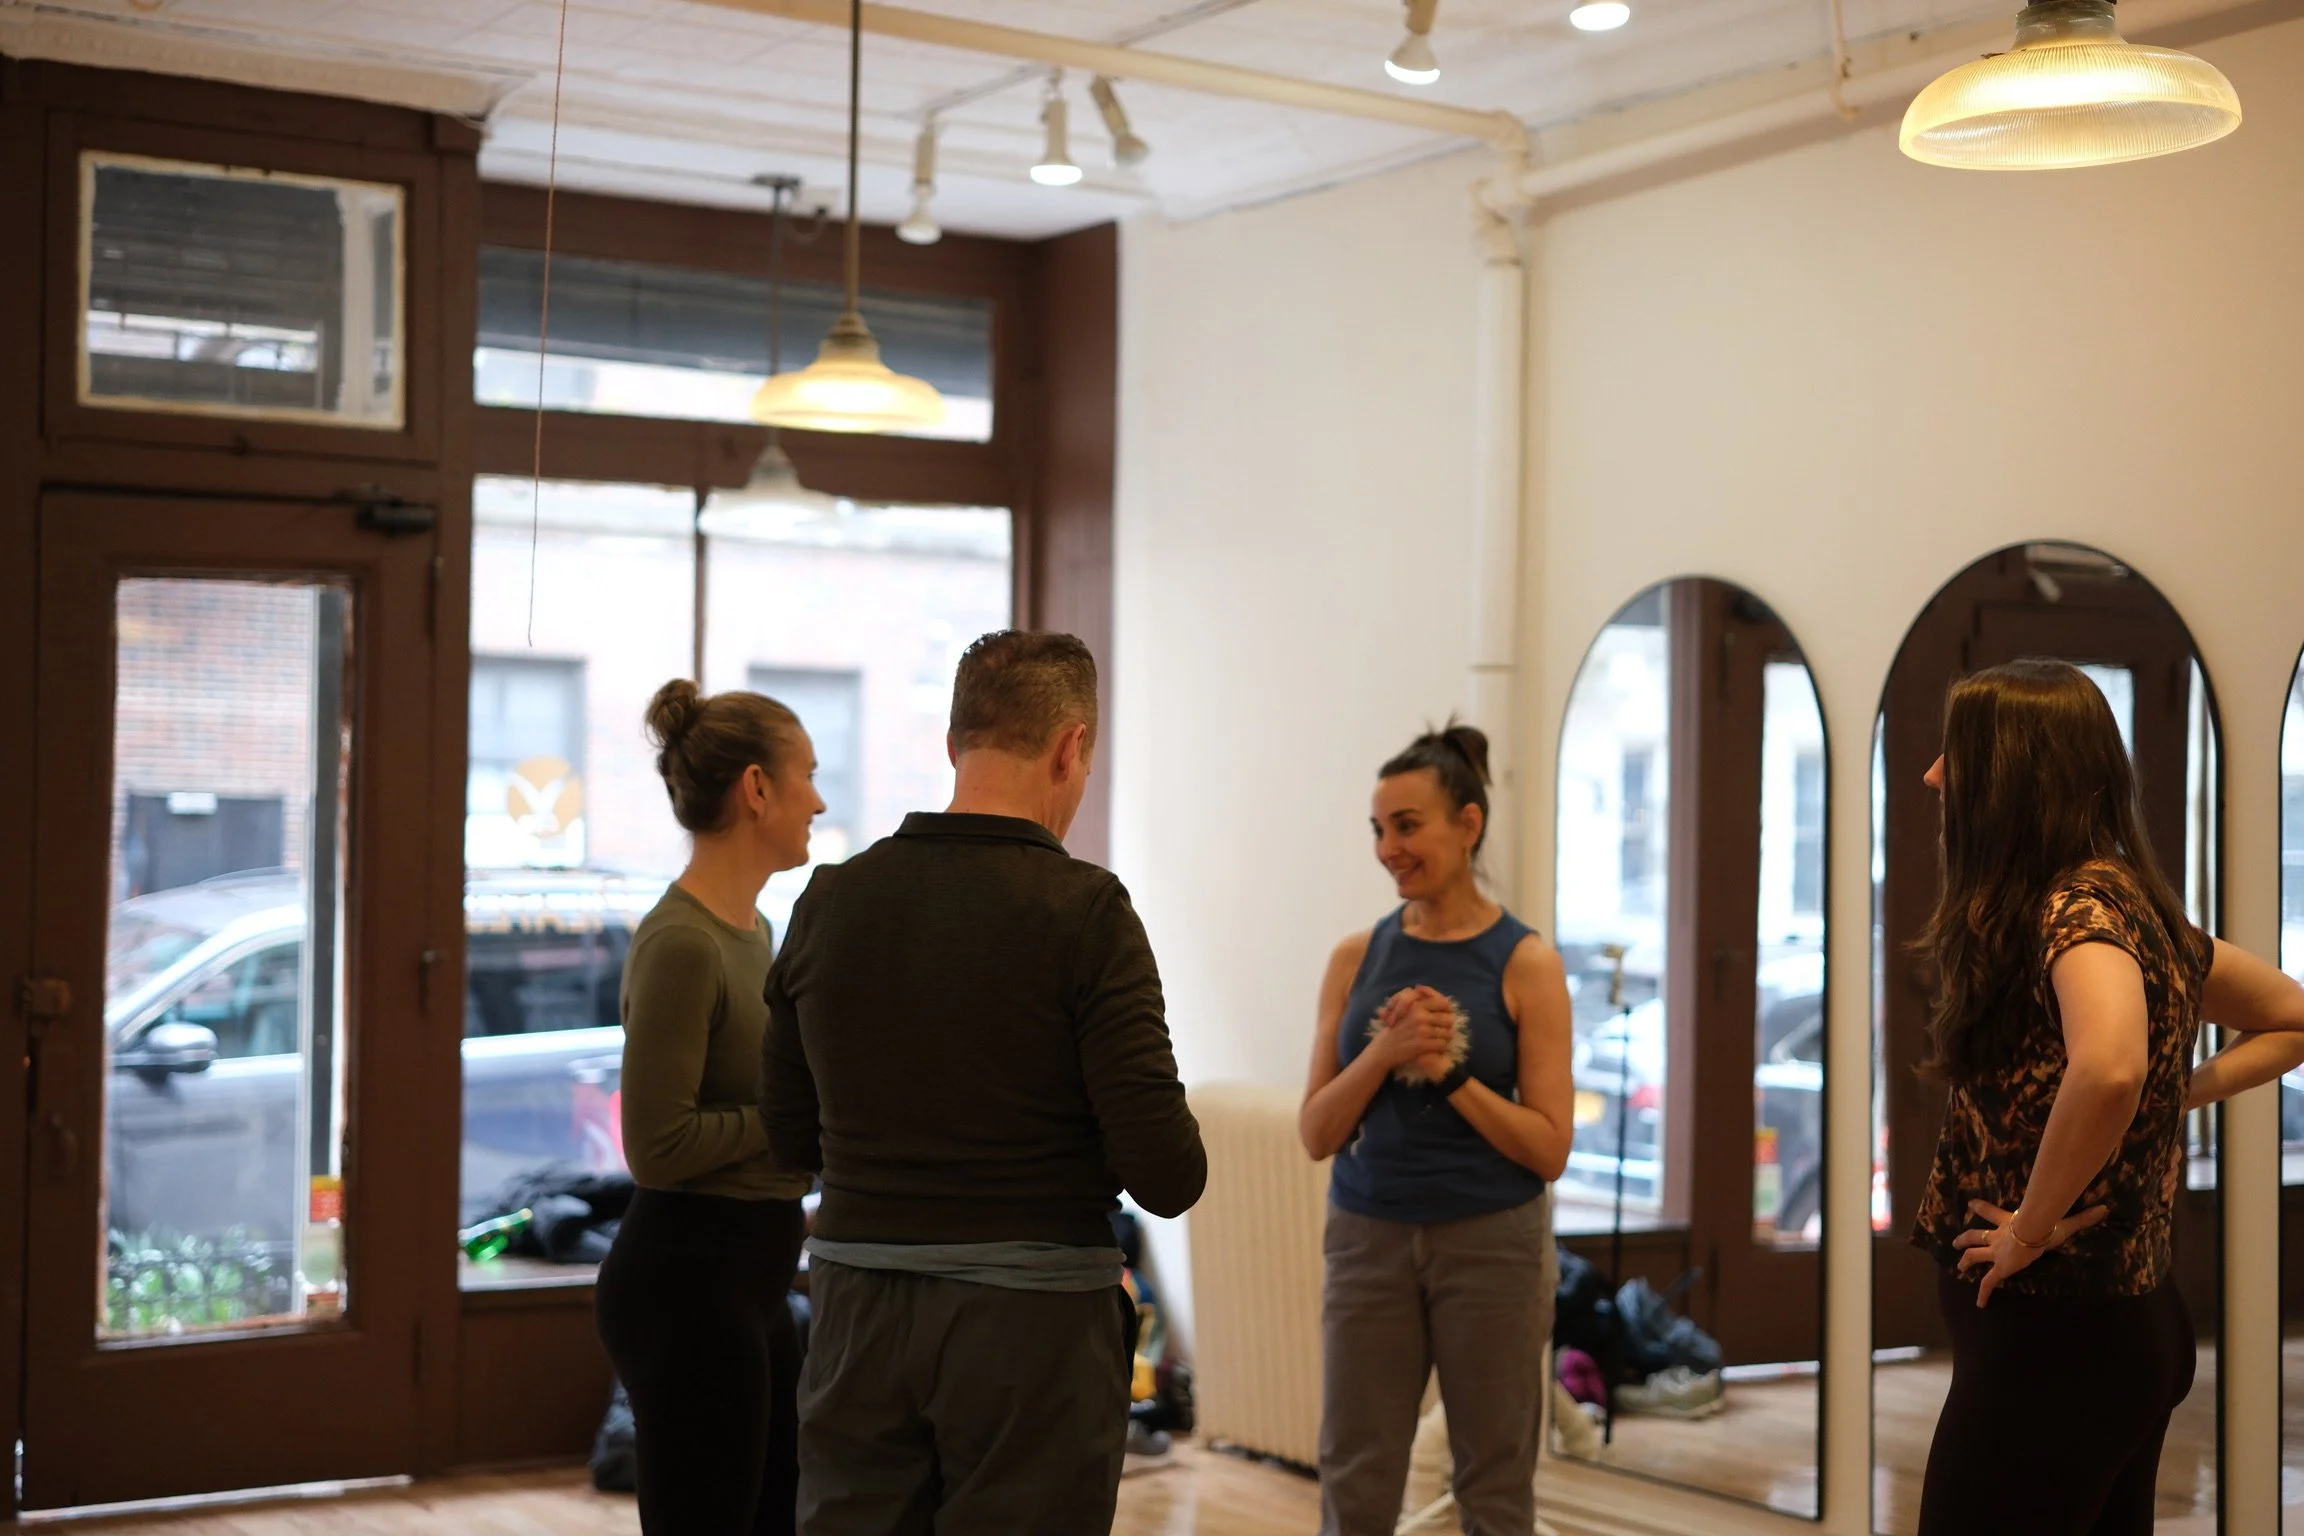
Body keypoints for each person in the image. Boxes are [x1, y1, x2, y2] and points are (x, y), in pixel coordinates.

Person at [760, 629, 1206, 1536]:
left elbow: (788, 1139)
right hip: (1031, 1325)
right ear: (1072, 746)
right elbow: (1167, 1173)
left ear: (954, 742)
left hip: (855, 1311)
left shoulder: (828, 902)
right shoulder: (1087, 913)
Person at [1911, 659, 2304, 1536]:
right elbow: (2292, 1018)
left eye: (1957, 752)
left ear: (2014, 771)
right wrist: (2173, 1100)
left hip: (2059, 1340)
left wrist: (2030, 1225)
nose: (1935, 775)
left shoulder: (2075, 910)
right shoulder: (2129, 902)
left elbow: (2113, 1066)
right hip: (2109, 1329)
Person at [1299, 722, 1576, 1536]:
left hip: (1491, 1242)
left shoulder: (1526, 963)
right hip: (1367, 1236)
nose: (1389, 848)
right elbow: (1317, 1131)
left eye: (1407, 826)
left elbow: (1550, 1146)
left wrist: (1451, 1075)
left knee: (1493, 1483)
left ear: (1468, 823)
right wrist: (1386, 1052)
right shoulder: (1356, 957)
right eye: (1379, 830)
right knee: (1355, 1472)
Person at [594, 680, 825, 1536]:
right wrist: (793, 1125)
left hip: (749, 1277)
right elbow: (656, 1146)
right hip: (685, 1281)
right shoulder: (683, 941)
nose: (820, 798)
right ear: (757, 789)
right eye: (808, 774)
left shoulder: (755, 931)